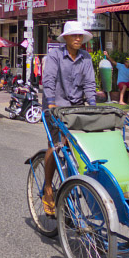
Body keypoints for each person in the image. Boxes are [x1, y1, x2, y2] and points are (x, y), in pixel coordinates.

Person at [39, 21, 97, 216]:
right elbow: (48, 80)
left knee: (81, 147)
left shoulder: (86, 58)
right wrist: (51, 103)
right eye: (74, 36)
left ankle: (74, 184)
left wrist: (93, 106)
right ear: (65, 38)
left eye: (80, 36)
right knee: (55, 146)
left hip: (75, 108)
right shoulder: (55, 55)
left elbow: (90, 84)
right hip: (55, 106)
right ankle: (48, 188)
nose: (78, 39)